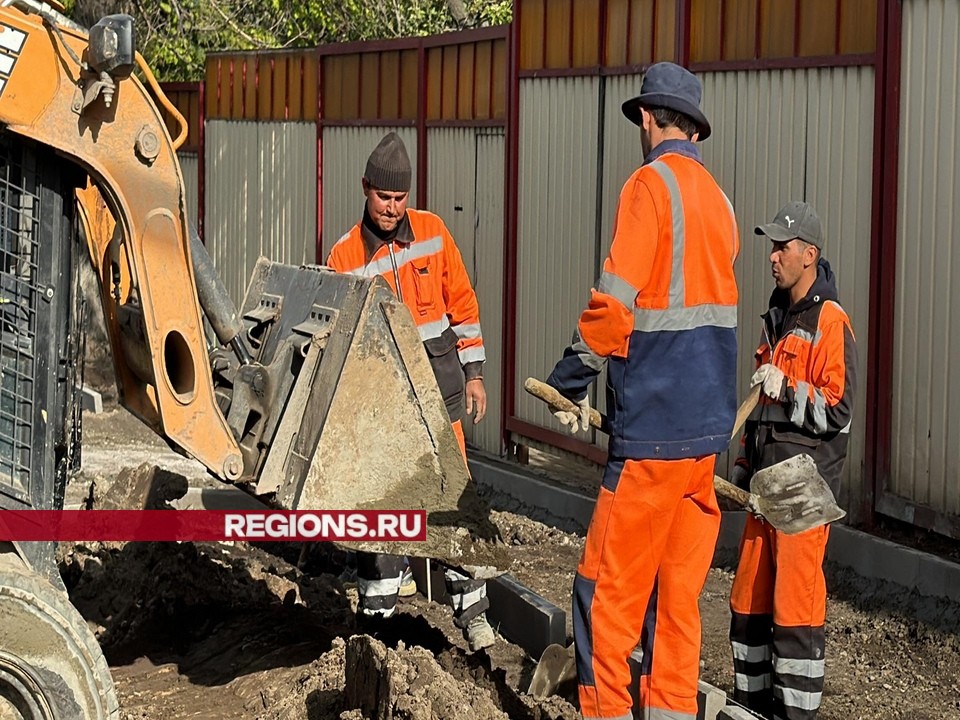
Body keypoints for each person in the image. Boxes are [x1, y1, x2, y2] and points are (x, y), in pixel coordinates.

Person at [544, 62, 740, 720]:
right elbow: (683, 311)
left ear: (649, 119)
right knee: (677, 609)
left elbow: (618, 304)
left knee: (604, 600)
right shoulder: (719, 201)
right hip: (703, 441)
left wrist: (571, 378)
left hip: (652, 436)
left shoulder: (648, 186)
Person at [326, 131, 494, 652]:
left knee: (454, 506)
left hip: (442, 400)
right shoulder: (343, 256)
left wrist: (475, 374)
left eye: (400, 199)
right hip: (387, 416)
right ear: (366, 189)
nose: (392, 209)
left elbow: (462, 307)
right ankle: (377, 627)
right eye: (384, 198)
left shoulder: (435, 234)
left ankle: (474, 616)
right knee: (384, 518)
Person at [728, 201, 857, 720]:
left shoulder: (830, 321)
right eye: (772, 246)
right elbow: (756, 407)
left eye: (782, 247)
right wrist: (742, 464)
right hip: (765, 487)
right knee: (748, 604)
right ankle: (750, 704)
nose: (773, 256)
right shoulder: (775, 318)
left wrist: (789, 387)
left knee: (795, 613)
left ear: (810, 254)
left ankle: (794, 713)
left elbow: (839, 411)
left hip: (804, 493)